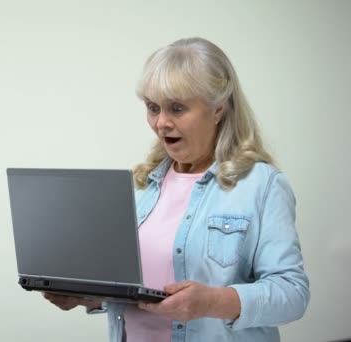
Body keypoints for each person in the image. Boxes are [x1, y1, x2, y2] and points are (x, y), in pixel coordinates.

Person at [42, 37, 310, 342]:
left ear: (218, 108)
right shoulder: (143, 187)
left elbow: (293, 293)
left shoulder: (261, 185)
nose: (161, 123)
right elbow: (137, 292)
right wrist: (85, 295)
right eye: (153, 108)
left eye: (177, 108)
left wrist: (211, 302)